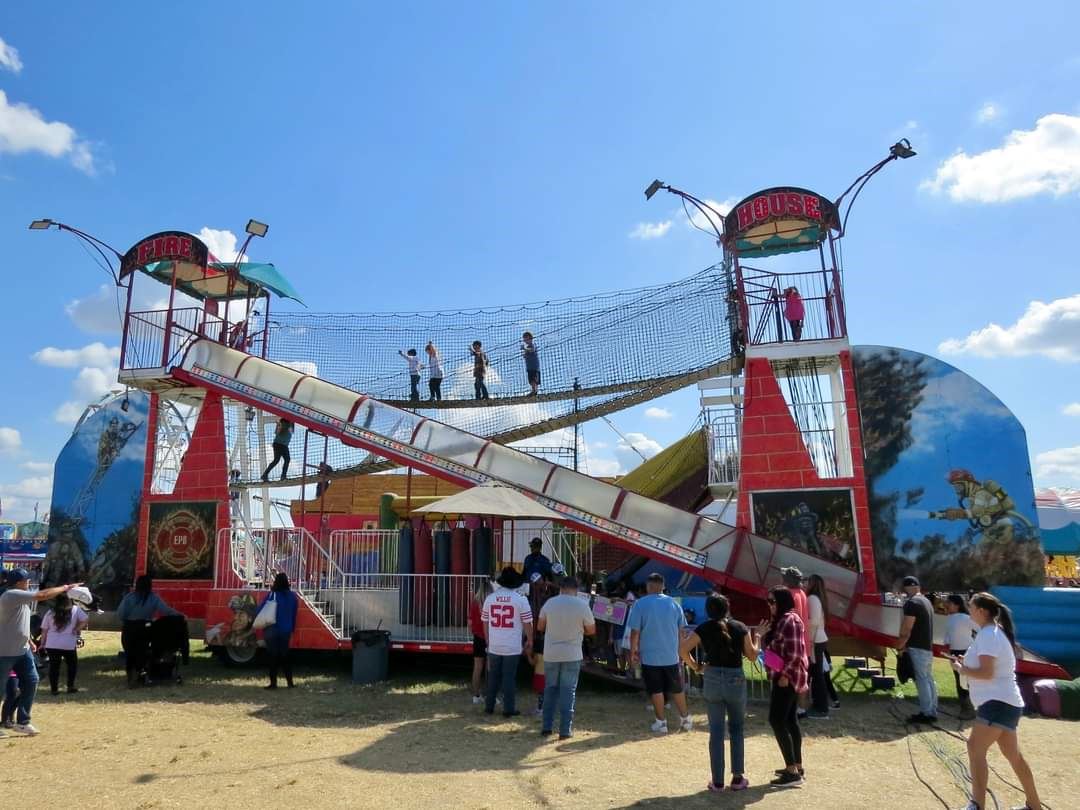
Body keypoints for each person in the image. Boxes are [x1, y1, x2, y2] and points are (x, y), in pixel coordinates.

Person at [952, 593, 1042, 810]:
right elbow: (988, 667)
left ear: (982, 611)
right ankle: (1034, 805)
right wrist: (967, 662)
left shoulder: (988, 635)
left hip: (998, 702)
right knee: (1013, 756)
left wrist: (962, 669)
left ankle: (977, 804)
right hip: (1004, 701)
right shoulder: (991, 633)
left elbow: (986, 672)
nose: (969, 610)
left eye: (971, 607)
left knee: (974, 747)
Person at [680, 593, 758, 793]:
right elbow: (751, 656)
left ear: (708, 610)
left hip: (712, 677)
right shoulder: (740, 627)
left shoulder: (703, 628)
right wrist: (758, 638)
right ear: (727, 608)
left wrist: (696, 667)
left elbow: (682, 650)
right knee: (737, 729)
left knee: (715, 732)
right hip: (735, 679)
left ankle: (717, 781)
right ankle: (738, 777)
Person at [0, 568, 84, 735]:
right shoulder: (11, 595)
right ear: (19, 583)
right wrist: (65, 587)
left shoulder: (20, 599)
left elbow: (17, 622)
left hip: (22, 650)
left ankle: (23, 721)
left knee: (31, 680)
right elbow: (43, 595)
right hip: (4, 652)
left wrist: (29, 640)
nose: (29, 583)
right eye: (27, 580)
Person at [627, 572, 693, 734]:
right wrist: (681, 650)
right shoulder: (674, 604)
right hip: (671, 655)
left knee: (655, 690)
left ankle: (661, 722)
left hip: (650, 656)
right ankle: (685, 719)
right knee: (677, 689)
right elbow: (682, 631)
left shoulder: (640, 604)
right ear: (663, 586)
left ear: (648, 586)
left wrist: (633, 651)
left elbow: (635, 632)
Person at [759, 586, 809, 787]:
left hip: (787, 678)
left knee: (776, 720)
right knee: (789, 720)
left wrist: (785, 675)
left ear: (782, 601)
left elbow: (795, 652)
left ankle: (792, 772)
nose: (770, 605)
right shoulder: (781, 620)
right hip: (783, 675)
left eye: (773, 601)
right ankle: (796, 766)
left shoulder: (790, 620)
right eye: (768, 602)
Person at [536, 575, 595, 740]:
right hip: (572, 653)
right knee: (568, 691)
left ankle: (546, 727)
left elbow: (540, 626)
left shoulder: (550, 603)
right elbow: (591, 630)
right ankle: (565, 730)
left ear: (560, 588)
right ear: (576, 589)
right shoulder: (582, 605)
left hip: (551, 652)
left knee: (550, 689)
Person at [481, 567, 533, 717]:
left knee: (493, 677)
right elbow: (527, 623)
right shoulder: (520, 599)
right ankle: (508, 709)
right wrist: (529, 640)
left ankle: (489, 707)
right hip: (512, 645)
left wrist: (487, 640)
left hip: (494, 644)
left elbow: (485, 621)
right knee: (509, 678)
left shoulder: (490, 598)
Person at [117, 575, 180, 687]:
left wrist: (128, 621)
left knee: (130, 653)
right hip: (145, 628)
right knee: (142, 652)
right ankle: (143, 676)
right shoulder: (153, 597)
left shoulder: (129, 597)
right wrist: (179, 615)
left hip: (129, 628)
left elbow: (121, 614)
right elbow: (165, 611)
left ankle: (130, 678)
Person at [895, 575, 937, 723]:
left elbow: (907, 628)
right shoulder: (926, 602)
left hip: (916, 646)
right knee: (928, 678)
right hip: (927, 646)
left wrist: (900, 646)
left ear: (906, 588)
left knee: (921, 680)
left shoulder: (912, 603)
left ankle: (926, 713)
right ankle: (932, 710)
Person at [40, 593, 88, 695]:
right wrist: (77, 629)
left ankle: (54, 689)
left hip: (52, 644)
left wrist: (42, 643)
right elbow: (85, 619)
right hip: (68, 643)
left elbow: (44, 630)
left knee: (54, 667)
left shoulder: (50, 612)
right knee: (72, 665)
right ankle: (70, 687)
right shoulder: (75, 610)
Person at [258, 572, 300, 689]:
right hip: (286, 630)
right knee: (285, 655)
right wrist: (292, 628)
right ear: (287, 582)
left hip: (272, 628)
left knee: (272, 656)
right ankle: (290, 683)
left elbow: (261, 609)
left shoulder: (272, 595)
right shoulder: (293, 597)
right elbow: (294, 614)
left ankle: (273, 683)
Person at [804, 574, 835, 719]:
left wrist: (801, 623)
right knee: (817, 674)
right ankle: (820, 705)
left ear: (812, 584)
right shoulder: (818, 598)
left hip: (815, 640)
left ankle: (821, 708)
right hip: (819, 638)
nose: (805, 584)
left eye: (807, 582)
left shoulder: (812, 598)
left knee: (817, 675)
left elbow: (814, 621)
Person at [946, 593, 978, 720]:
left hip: (965, 652)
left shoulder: (965, 618)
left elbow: (980, 629)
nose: (946, 605)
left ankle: (970, 709)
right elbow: (948, 637)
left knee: (966, 681)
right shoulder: (950, 618)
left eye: (949, 603)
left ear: (957, 605)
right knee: (959, 681)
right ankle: (965, 708)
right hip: (954, 652)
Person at [469, 581, 492, 704]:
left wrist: (474, 632)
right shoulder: (491, 603)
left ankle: (476, 696)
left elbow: (470, 623)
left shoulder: (474, 603)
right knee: (490, 668)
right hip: (490, 638)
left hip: (477, 638)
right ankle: (490, 695)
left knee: (477, 668)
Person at [521, 331, 540, 397]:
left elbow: (531, 350)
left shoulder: (532, 345)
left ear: (530, 338)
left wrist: (524, 349)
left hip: (533, 366)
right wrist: (524, 353)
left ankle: (534, 391)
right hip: (529, 366)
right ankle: (534, 390)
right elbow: (525, 355)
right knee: (531, 379)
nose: (525, 340)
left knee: (533, 379)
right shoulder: (528, 346)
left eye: (526, 339)